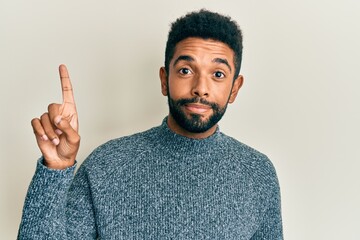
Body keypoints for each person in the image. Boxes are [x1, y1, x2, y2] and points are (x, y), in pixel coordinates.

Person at [18, 9, 283, 239]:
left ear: (234, 89)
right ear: (164, 79)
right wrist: (55, 170)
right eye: (185, 71)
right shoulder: (107, 164)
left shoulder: (257, 173)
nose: (200, 88)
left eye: (217, 74)